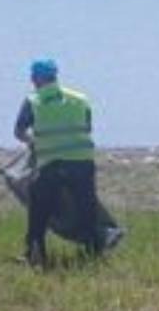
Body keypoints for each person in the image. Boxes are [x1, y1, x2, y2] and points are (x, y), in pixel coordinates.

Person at [14, 58, 101, 267]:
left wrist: (33, 142)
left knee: (39, 210)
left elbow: (18, 132)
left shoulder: (33, 100)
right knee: (86, 208)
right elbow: (87, 127)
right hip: (82, 163)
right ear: (55, 76)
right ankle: (93, 252)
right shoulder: (80, 99)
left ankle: (35, 254)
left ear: (35, 79)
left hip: (50, 165)